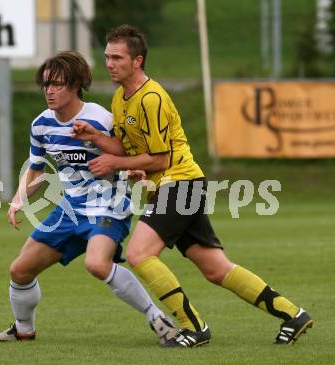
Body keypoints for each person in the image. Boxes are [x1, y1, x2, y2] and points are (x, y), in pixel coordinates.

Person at [72, 25, 313, 347]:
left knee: (140, 254)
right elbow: (129, 150)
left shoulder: (152, 98)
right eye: (107, 57)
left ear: (138, 61)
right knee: (215, 268)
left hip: (181, 183)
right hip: (174, 186)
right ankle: (293, 314)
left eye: (117, 57)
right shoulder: (120, 98)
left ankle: (193, 327)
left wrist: (116, 164)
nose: (110, 63)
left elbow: (159, 159)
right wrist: (97, 138)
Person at [0, 51, 176, 344]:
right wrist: (17, 200)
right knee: (20, 270)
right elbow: (36, 171)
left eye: (58, 84)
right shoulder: (41, 125)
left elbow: (129, 152)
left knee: (97, 264)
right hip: (69, 209)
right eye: (46, 84)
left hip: (108, 205)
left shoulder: (101, 118)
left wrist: (135, 171)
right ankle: (23, 329)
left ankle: (157, 318)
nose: (49, 91)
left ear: (76, 85)